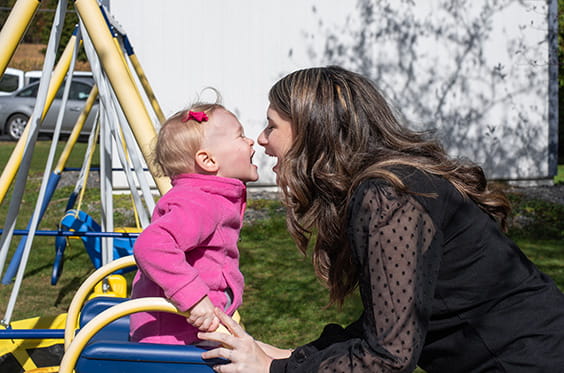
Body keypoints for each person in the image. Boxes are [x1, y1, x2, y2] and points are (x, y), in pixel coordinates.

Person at [198, 66, 564, 372]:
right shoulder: (387, 186)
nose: (261, 139)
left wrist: (275, 369)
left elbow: (388, 358)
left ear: (313, 129)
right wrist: (292, 356)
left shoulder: (388, 196)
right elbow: (387, 324)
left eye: (271, 125)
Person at [129, 101, 258, 345]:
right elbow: (152, 246)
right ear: (208, 160)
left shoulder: (208, 196)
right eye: (241, 136)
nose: (251, 141)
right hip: (172, 341)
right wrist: (196, 299)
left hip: (188, 332)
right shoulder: (199, 202)